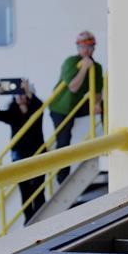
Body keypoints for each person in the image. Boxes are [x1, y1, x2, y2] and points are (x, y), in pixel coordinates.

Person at [49, 31, 103, 184]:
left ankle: (107, 142)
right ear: (77, 48)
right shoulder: (71, 62)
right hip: (61, 108)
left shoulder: (96, 67)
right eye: (82, 47)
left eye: (89, 47)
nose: (86, 51)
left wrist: (97, 103)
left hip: (76, 106)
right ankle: (62, 179)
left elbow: (97, 91)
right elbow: (73, 86)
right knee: (64, 142)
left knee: (105, 105)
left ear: (94, 48)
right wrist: (84, 68)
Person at [0, 79, 45, 223]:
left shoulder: (35, 109)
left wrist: (27, 90)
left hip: (38, 153)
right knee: (25, 191)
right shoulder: (12, 112)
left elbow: (40, 106)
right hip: (20, 155)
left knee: (39, 190)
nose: (20, 96)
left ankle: (41, 219)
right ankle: (28, 220)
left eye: (22, 94)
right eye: (17, 94)